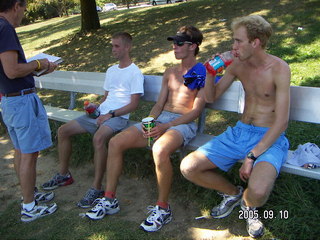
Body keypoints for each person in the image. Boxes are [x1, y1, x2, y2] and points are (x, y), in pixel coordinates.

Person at [84, 25, 206, 232]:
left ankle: (162, 208)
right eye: (173, 43)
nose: (174, 47)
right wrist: (149, 121)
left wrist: (165, 126)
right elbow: (159, 105)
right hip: (161, 119)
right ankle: (109, 198)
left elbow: (195, 112)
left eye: (179, 43)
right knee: (115, 142)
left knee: (159, 149)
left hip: (183, 123)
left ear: (193, 46)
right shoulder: (170, 72)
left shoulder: (202, 71)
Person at [180, 15, 291, 238]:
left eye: (239, 41)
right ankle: (233, 193)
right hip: (240, 132)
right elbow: (211, 97)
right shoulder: (237, 65)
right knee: (188, 167)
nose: (233, 46)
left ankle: (249, 207)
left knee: (258, 191)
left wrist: (252, 156)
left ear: (255, 42)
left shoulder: (279, 69)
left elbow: (281, 122)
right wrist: (211, 73)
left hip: (269, 136)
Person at [42, 32, 144, 209]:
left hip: (117, 117)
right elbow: (107, 97)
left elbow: (133, 105)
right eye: (112, 46)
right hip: (100, 114)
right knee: (63, 131)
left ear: (128, 47)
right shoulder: (111, 70)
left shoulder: (135, 73)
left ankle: (96, 188)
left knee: (98, 139)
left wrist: (110, 114)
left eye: (117, 46)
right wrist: (96, 106)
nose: (113, 49)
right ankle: (64, 174)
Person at [0, 0, 58, 222]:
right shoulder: (5, 28)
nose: (24, 13)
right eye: (24, 9)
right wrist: (38, 64)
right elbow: (12, 70)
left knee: (20, 150)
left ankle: (29, 194)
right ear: (16, 5)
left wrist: (39, 68)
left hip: (10, 100)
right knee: (29, 154)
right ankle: (29, 207)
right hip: (21, 103)